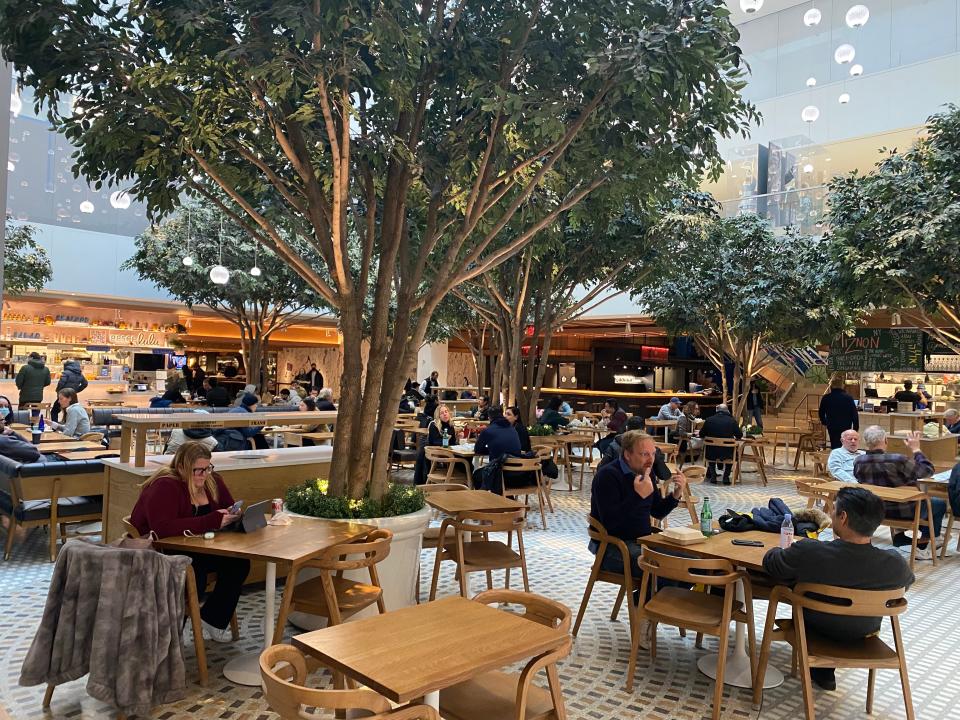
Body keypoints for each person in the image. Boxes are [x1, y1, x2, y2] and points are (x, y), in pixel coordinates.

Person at [762, 486, 914, 691]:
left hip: (815, 633)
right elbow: (905, 586)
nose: (830, 514)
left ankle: (822, 670)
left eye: (833, 510)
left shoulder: (810, 552)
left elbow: (771, 564)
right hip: (864, 637)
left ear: (843, 517)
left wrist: (783, 550)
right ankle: (824, 673)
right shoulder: (895, 564)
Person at [129, 442, 249, 642]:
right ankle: (172, 634)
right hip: (163, 551)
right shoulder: (165, 485)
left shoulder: (212, 481)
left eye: (208, 468)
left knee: (239, 563)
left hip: (199, 546)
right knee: (195, 574)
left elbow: (228, 506)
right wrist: (210, 521)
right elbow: (161, 529)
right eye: (198, 470)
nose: (204, 474)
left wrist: (232, 516)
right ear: (182, 467)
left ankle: (211, 620)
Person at [589, 430, 685, 575]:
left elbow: (657, 512)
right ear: (628, 455)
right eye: (644, 454)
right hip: (612, 547)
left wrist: (676, 494)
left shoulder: (647, 472)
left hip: (642, 541)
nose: (651, 459)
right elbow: (611, 524)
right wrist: (638, 496)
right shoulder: (607, 476)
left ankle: (645, 597)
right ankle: (646, 598)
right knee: (667, 569)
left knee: (693, 564)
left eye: (653, 454)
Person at [854, 427, 945, 560]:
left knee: (909, 501)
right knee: (938, 504)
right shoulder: (897, 459)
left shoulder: (859, 461)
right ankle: (927, 542)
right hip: (905, 511)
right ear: (886, 440)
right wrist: (916, 449)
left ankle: (900, 537)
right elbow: (928, 470)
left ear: (865, 442)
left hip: (875, 510)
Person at [701, 403, 742, 485]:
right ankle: (726, 477)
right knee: (733, 450)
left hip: (711, 452)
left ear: (717, 410)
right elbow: (739, 435)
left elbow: (701, 434)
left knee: (711, 450)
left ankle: (713, 476)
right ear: (727, 411)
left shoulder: (709, 420)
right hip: (727, 452)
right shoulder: (732, 421)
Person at [818, 376, 859, 449]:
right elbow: (854, 414)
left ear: (832, 386)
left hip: (832, 426)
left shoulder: (826, 397)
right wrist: (855, 428)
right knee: (845, 446)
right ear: (842, 386)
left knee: (834, 445)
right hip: (845, 427)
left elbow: (821, 412)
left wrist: (825, 422)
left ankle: (835, 459)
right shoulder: (848, 398)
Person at [0, 397, 42, 462]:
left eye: (6, 406)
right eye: (0, 406)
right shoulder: (4, 440)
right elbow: (34, 451)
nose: (4, 409)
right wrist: (13, 433)